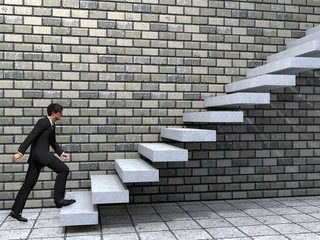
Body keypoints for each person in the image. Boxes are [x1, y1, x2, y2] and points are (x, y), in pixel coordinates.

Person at [10, 103, 76, 222]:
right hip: (41, 154)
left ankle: (15, 211)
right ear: (54, 113)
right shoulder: (43, 122)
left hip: (37, 157)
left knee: (28, 184)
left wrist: (61, 153)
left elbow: (53, 142)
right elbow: (30, 137)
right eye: (60, 112)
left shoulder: (51, 125)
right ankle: (59, 200)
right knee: (63, 169)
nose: (62, 114)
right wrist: (19, 152)